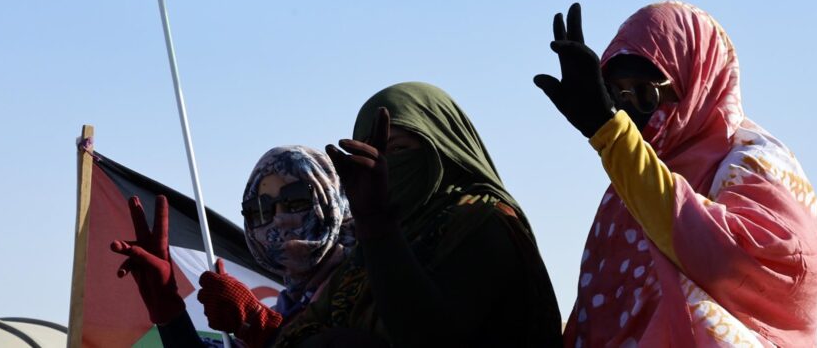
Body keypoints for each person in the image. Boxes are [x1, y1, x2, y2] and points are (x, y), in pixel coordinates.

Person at [534, 2, 817, 347]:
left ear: (696, 86)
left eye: (645, 94)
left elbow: (737, 263)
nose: (628, 113)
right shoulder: (626, 183)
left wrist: (611, 133)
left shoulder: (752, 164)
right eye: (615, 96)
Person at [274, 82, 563, 348]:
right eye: (373, 154)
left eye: (398, 148)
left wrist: (376, 221)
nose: (384, 168)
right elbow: (295, 335)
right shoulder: (364, 258)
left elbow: (429, 337)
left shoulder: (483, 223)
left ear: (444, 148)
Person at [111, 145, 355, 347]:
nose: (279, 219)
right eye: (260, 211)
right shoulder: (290, 305)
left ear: (331, 198)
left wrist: (259, 324)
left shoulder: (364, 280)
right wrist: (166, 306)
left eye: (295, 200)